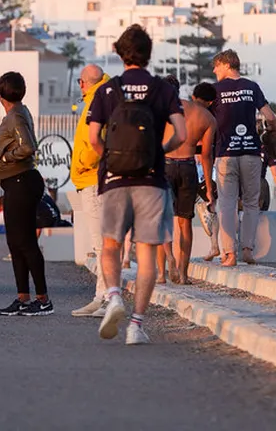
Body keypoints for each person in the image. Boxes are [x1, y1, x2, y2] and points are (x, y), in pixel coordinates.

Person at [87, 25, 187, 345]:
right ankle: (136, 325)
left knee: (110, 246)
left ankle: (114, 296)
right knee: (146, 254)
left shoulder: (107, 90)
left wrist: (111, 160)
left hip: (115, 180)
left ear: (120, 53)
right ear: (148, 53)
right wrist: (160, 151)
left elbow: (93, 138)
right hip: (151, 180)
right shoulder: (163, 90)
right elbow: (182, 134)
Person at [0, 71, 52, 317]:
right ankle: (23, 297)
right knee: (16, 242)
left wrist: (7, 158)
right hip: (17, 182)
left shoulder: (15, 115)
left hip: (21, 181)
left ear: (0, 96)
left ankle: (43, 299)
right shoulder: (20, 111)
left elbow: (28, 146)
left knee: (25, 242)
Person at [211, 49, 276, 266]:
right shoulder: (252, 87)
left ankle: (229, 254)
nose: (214, 71)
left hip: (226, 154)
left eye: (216, 66)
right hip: (251, 153)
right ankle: (247, 250)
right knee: (251, 203)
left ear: (226, 64)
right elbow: (270, 116)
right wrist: (272, 130)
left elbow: (207, 121)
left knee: (227, 204)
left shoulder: (215, 90)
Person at [159, 75, 215, 285]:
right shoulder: (206, 117)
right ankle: (183, 274)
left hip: (165, 165)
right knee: (185, 223)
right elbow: (206, 156)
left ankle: (163, 270)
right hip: (188, 166)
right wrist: (208, 188)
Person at [70, 64, 110, 317]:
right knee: (102, 244)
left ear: (84, 82)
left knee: (102, 244)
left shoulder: (97, 101)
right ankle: (101, 296)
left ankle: (106, 298)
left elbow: (97, 140)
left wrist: (83, 162)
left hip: (93, 178)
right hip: (94, 178)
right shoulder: (104, 97)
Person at [190, 83, 223, 262]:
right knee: (210, 205)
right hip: (210, 163)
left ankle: (213, 246)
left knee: (186, 211)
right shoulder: (212, 116)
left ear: (193, 97)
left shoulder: (189, 113)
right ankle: (214, 245)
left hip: (196, 162)